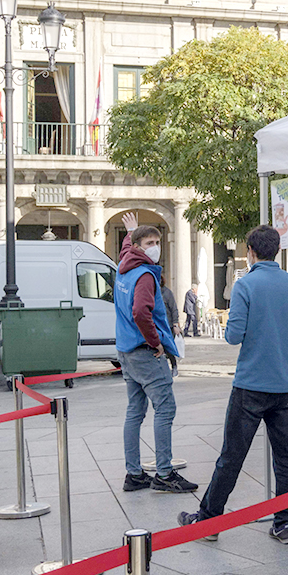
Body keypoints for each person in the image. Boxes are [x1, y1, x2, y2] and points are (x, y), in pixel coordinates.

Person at [178, 225, 288, 543]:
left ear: (251, 252)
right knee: (285, 457)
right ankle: (284, 523)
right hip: (286, 385)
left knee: (232, 456)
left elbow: (233, 335)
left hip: (251, 384)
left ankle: (209, 521)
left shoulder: (245, 285)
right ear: (276, 250)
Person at [116, 212, 197, 494]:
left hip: (126, 349)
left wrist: (131, 233)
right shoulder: (145, 275)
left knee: (135, 411)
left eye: (157, 242)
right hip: (144, 351)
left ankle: (134, 473)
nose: (155, 247)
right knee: (165, 409)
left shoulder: (124, 267)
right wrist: (156, 342)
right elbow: (141, 311)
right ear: (139, 247)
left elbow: (126, 249)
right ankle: (164, 473)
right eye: (149, 243)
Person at [159, 275, 180, 377]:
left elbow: (174, 309)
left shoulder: (167, 293)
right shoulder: (151, 292)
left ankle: (174, 366)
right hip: (157, 325)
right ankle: (161, 369)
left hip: (168, 325)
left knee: (168, 348)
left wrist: (175, 324)